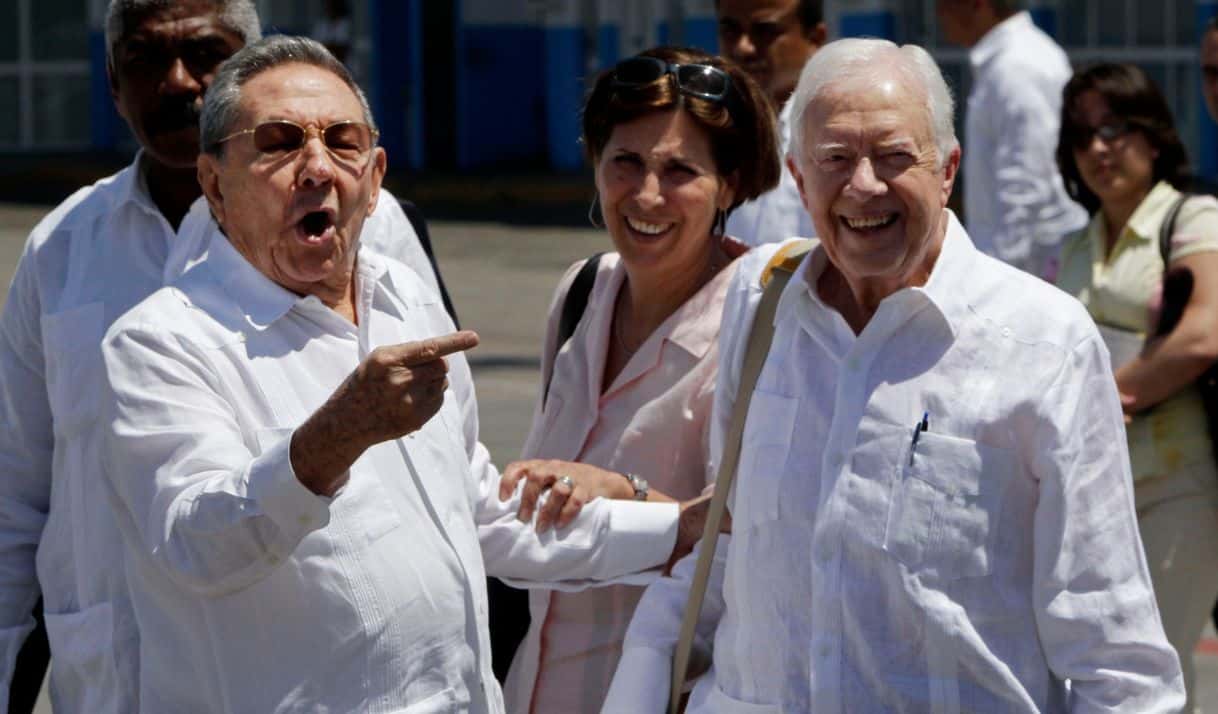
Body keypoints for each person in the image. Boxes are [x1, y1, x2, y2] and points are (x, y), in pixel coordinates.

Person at [98, 36, 704, 712]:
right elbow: (196, 546)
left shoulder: (403, 299)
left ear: (377, 174)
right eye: (278, 142)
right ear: (214, 184)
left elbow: (474, 512)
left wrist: (677, 531)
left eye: (342, 142)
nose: (317, 167)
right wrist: (332, 440)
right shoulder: (162, 342)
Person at [603, 37, 1184, 713]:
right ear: (798, 175)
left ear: (948, 169)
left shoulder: (1043, 342)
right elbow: (736, 545)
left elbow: (1112, 645)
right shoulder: (759, 307)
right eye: (836, 160)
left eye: (894, 156)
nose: (864, 185)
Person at [0, 1, 447, 711]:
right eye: (144, 60)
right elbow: (17, 496)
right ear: (113, 85)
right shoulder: (62, 247)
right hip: (110, 678)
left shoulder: (367, 223)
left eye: (206, 53)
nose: (177, 82)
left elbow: (443, 479)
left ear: (252, 65)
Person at [496, 46, 780, 713]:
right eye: (625, 162)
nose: (647, 194)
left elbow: (761, 538)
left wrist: (623, 493)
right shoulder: (581, 292)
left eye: (680, 170)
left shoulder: (759, 325)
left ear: (730, 186)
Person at [1053, 62, 1218, 712]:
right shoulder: (1071, 247)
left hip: (1177, 485)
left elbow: (1205, 334)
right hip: (1094, 494)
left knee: (1161, 673)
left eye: (1116, 128)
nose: (1099, 148)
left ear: (1153, 134)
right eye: (1083, 135)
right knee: (1101, 677)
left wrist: (1101, 401)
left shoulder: (1193, 217)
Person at [936, 0, 1086, 277]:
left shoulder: (1016, 67)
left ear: (978, 5)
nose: (938, 14)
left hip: (1028, 266)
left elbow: (1027, 184)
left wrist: (997, 277)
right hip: (1020, 261)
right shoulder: (1010, 60)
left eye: (944, 4)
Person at [717, 0, 823, 246]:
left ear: (815, 39)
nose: (743, 47)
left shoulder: (835, 136)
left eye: (764, 31)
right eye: (730, 30)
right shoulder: (708, 133)